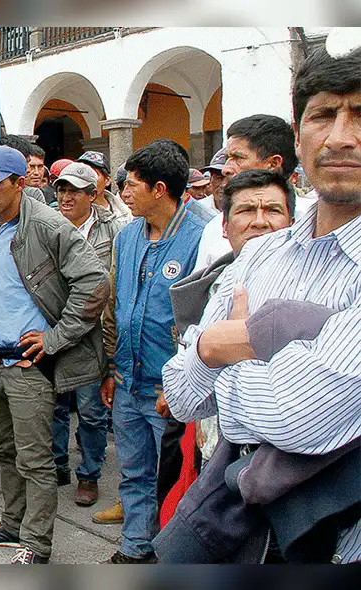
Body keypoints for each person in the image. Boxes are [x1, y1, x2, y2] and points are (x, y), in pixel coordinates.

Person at [159, 46, 361, 563]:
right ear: (298, 136)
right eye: (323, 115)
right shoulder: (263, 254)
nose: (340, 137)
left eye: (360, 115)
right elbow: (182, 396)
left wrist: (233, 344)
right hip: (246, 529)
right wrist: (210, 345)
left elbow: (299, 418)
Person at [0, 147, 109, 565]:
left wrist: (55, 338)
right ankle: (12, 523)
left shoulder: (47, 225)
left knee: (36, 460)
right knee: (7, 451)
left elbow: (95, 283)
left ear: (19, 183)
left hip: (29, 365)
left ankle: (37, 546)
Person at [155, 168, 295, 533]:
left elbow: (288, 413)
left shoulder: (310, 285)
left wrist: (233, 353)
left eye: (273, 211)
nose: (260, 222)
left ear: (292, 221)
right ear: (225, 226)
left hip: (288, 474)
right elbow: (182, 392)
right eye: (247, 211)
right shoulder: (217, 285)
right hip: (217, 457)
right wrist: (209, 348)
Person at [97, 139, 207, 564]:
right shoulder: (127, 238)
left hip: (170, 390)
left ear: (160, 189)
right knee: (134, 472)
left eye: (132, 184)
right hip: (127, 380)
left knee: (175, 478)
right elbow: (116, 308)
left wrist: (180, 385)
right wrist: (111, 367)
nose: (124, 191)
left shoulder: (200, 238)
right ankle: (134, 548)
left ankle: (169, 552)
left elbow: (201, 322)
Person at [50, 162, 125, 507]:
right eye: (61, 190)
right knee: (52, 406)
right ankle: (58, 464)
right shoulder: (46, 223)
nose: (65, 197)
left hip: (92, 331)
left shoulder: (115, 229)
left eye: (73, 191)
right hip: (51, 325)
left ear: (92, 195)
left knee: (91, 409)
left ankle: (89, 473)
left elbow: (113, 282)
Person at [195, 114, 299, 269]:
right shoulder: (215, 227)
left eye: (237, 158)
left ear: (273, 163)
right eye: (246, 211)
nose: (226, 169)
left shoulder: (315, 222)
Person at [77, 151, 133, 222]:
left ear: (107, 180)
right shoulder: (69, 213)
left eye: (93, 174)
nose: (87, 178)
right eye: (82, 173)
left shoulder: (126, 214)